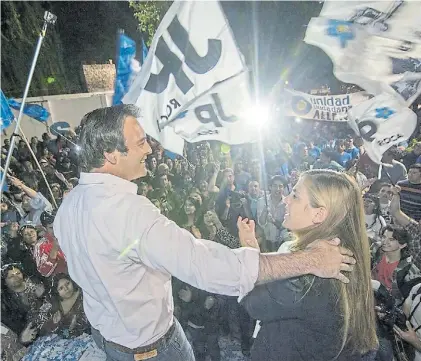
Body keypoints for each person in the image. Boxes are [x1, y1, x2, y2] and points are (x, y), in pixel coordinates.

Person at [54, 105, 355, 361]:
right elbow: (207, 266)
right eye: (141, 142)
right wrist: (310, 260)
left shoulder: (69, 205)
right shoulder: (129, 213)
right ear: (110, 153)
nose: (149, 149)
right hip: (151, 349)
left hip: (108, 338)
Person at [240, 170, 378, 360]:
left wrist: (250, 254)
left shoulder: (309, 276)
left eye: (295, 195)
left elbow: (252, 303)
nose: (286, 199)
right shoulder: (343, 256)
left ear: (319, 214)